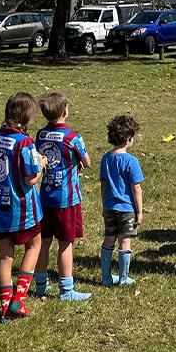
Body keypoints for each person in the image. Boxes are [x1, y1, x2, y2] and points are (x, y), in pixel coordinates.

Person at [0, 93, 48, 322]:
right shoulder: (25, 143)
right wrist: (41, 164)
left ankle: (4, 310)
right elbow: (30, 179)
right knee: (34, 246)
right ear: (28, 118)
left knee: (4, 256)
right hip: (21, 211)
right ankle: (18, 299)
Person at [33, 91, 92, 301]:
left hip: (44, 198)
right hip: (66, 200)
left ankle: (41, 285)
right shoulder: (73, 137)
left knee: (43, 242)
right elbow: (87, 162)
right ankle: (66, 289)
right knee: (65, 243)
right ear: (65, 112)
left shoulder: (40, 135)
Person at [99, 115, 143, 287]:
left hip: (110, 206)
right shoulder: (131, 161)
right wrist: (139, 211)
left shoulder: (105, 159)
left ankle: (106, 278)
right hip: (127, 208)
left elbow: (103, 185)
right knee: (125, 241)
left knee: (108, 240)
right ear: (128, 139)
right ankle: (123, 278)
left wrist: (104, 205)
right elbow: (136, 188)